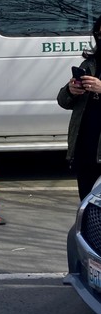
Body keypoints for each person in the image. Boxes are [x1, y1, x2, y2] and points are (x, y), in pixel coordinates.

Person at [57, 14, 101, 200]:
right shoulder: (90, 63)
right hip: (85, 149)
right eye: (98, 35)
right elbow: (63, 101)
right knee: (87, 203)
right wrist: (71, 90)